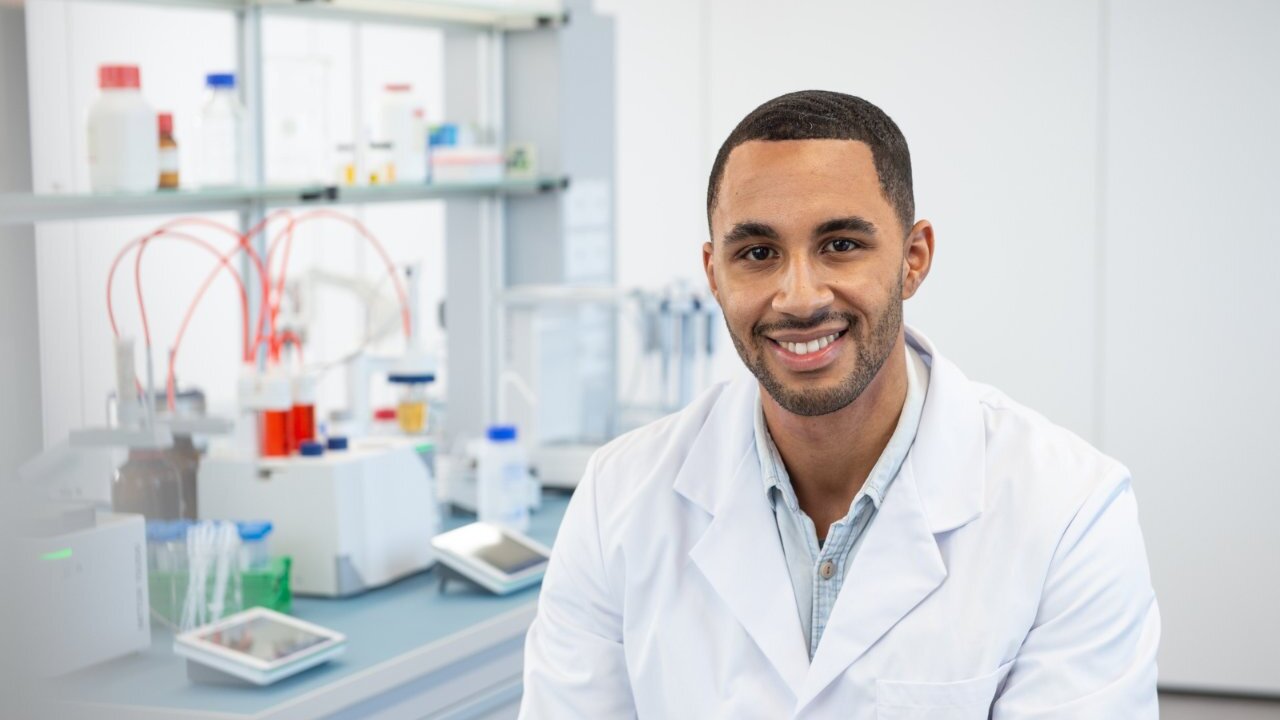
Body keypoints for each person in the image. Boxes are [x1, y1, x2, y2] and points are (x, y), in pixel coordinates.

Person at [520, 90, 1160, 718]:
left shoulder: (1069, 512)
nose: (799, 298)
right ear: (714, 273)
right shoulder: (618, 498)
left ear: (914, 259)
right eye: (758, 253)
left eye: (841, 245)